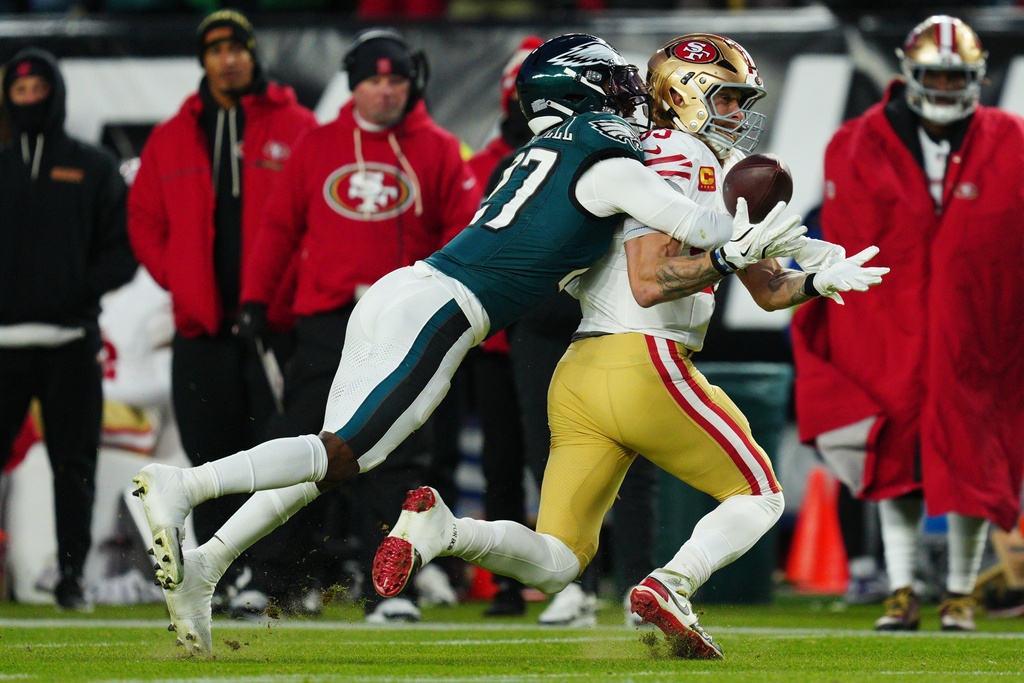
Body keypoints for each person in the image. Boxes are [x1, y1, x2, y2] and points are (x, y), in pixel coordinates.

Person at [129, 32, 783, 656]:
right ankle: (183, 484)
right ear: (581, 91)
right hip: (445, 308)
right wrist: (758, 232)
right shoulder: (604, 156)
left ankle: (208, 564)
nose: (628, 93)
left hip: (406, 291)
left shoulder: (541, 151)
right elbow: (700, 225)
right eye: (610, 81)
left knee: (327, 460)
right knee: (345, 453)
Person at [371, 32, 887, 659]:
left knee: (558, 561)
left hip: (582, 371)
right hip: (643, 358)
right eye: (726, 99)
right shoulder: (676, 155)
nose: (738, 114)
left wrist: (817, 281)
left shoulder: (677, 157)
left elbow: (768, 290)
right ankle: (672, 585)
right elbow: (650, 280)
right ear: (684, 94)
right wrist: (727, 257)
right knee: (760, 495)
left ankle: (445, 531)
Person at [234, 26, 482, 623]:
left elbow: (465, 235)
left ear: (412, 84)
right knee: (297, 448)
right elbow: (279, 227)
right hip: (325, 322)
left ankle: (391, 591)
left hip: (405, 327)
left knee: (397, 458)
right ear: (353, 85)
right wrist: (256, 298)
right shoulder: (317, 145)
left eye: (396, 80)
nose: (385, 91)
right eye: (373, 80)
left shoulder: (439, 149)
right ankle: (270, 581)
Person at [791, 14, 1024, 633]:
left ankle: (959, 594)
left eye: (955, 77)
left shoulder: (1010, 137)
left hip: (980, 325)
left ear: (976, 77)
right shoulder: (857, 141)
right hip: (887, 323)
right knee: (892, 454)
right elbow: (845, 237)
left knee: (973, 457)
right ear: (910, 72)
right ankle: (900, 588)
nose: (945, 88)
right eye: (935, 76)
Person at [126, 9, 318, 609]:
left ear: (254, 54)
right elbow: (144, 221)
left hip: (274, 326)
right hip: (202, 329)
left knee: (277, 455)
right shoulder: (171, 136)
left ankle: (275, 578)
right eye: (215, 49)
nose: (227, 59)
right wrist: (184, 284)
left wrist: (278, 293)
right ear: (203, 61)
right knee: (208, 454)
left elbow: (316, 218)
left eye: (237, 47)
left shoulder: (298, 126)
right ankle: (224, 575)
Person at [0, 47, 138, 611]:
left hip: (71, 345)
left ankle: (72, 578)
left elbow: (123, 252)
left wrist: (73, 293)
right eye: (20, 92)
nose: (30, 100)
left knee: (74, 467)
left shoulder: (95, 167)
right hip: (3, 348)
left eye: (39, 91)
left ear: (56, 96)